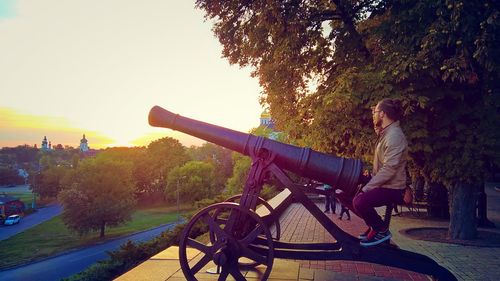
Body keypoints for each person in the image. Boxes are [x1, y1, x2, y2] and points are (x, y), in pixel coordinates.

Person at [353, 98, 408, 247]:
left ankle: (381, 230)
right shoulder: (387, 133)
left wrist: (368, 186)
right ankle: (374, 226)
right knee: (349, 190)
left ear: (383, 114)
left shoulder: (395, 136)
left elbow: (389, 169)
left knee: (360, 201)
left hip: (393, 188)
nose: (373, 115)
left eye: (376, 112)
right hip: (385, 184)